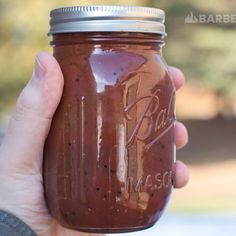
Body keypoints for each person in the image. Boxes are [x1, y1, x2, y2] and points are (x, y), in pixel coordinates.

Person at [0, 52, 189, 236]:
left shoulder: (152, 68)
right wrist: (15, 223)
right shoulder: (72, 68)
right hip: (41, 217)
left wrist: (15, 227)